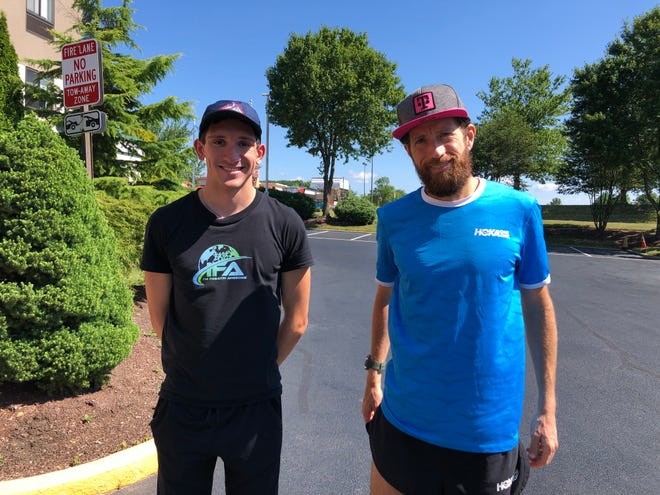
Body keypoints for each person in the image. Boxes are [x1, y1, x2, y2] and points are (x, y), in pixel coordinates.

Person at [361, 84, 558, 495]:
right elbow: (386, 297)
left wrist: (548, 407)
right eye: (420, 140)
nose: (435, 151)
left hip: (486, 430)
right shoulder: (394, 218)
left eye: (445, 135)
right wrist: (374, 374)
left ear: (469, 136)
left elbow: (538, 305)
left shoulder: (519, 210)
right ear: (409, 151)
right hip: (403, 418)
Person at [141, 99, 313, 495]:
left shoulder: (285, 223)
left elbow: (297, 319)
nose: (231, 154)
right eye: (218, 141)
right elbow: (160, 317)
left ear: (259, 152)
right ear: (200, 148)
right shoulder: (166, 223)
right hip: (184, 406)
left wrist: (257, 369)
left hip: (256, 409)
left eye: (243, 143)